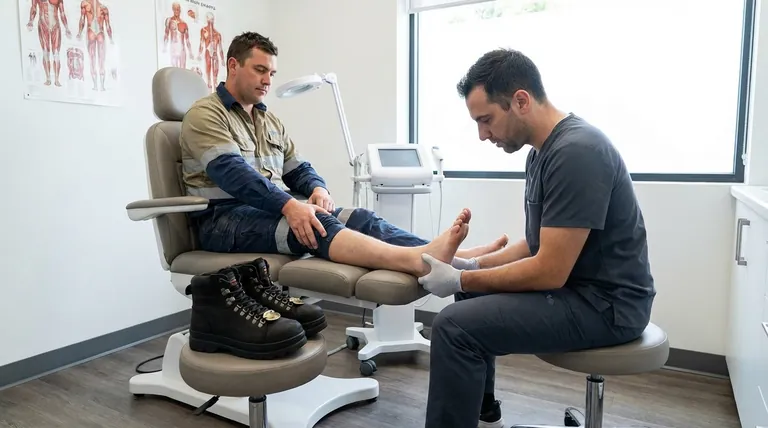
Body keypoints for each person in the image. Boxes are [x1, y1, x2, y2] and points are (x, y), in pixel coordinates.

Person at [416, 49, 657, 428]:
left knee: (453, 325)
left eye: (486, 120)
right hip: (580, 292)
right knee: (469, 295)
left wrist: (460, 278)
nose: (482, 135)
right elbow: (534, 244)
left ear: (521, 100)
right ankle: (482, 411)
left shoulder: (578, 152)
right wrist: (471, 266)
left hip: (609, 307)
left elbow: (548, 271)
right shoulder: (542, 153)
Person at [179, 31, 508, 281]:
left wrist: (318, 188)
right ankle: (421, 261)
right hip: (223, 222)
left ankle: (456, 256)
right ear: (233, 66)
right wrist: (291, 206)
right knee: (318, 224)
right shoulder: (206, 114)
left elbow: (299, 169)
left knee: (360, 217)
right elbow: (233, 174)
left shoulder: (268, 119)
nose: (267, 80)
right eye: (260, 70)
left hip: (269, 213)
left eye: (272, 73)